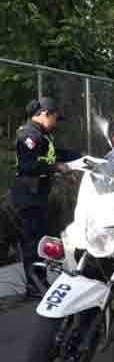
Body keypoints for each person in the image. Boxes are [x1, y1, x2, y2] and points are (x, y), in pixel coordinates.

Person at [10, 97, 77, 298]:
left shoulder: (42, 135)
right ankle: (34, 287)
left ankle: (39, 282)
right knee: (33, 242)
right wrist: (57, 168)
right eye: (55, 118)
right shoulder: (28, 135)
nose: (56, 122)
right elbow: (27, 166)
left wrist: (81, 157)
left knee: (40, 238)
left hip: (37, 193)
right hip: (28, 193)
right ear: (45, 114)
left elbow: (56, 153)